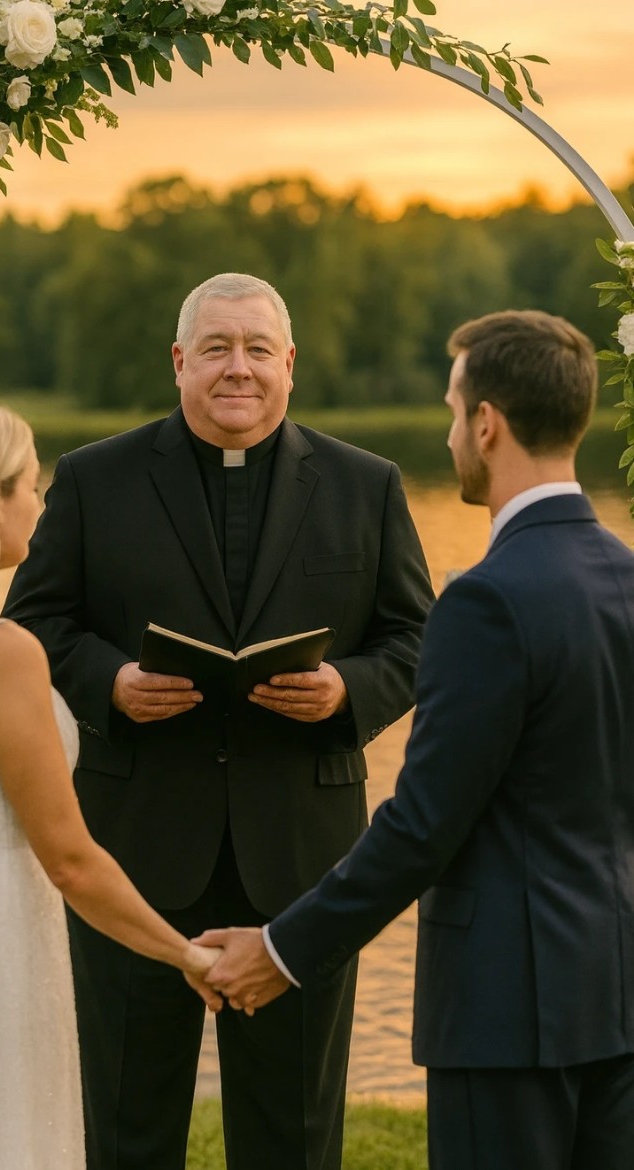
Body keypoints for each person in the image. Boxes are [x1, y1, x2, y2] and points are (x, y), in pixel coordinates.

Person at [3, 272, 433, 1170]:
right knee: (125, 1126)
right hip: (133, 852)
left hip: (303, 862)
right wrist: (109, 682)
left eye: (256, 350)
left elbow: (419, 641)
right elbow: (30, 623)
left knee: (296, 1138)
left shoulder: (368, 485)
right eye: (216, 349)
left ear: (290, 365)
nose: (238, 369)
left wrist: (349, 691)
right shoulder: (92, 480)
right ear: (178, 363)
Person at [199, 309, 634, 1170]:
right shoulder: (624, 577)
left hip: (508, 1013)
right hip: (616, 998)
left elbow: (424, 825)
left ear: (486, 422)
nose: (448, 435)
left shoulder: (487, 599)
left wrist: (281, 950)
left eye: (449, 411)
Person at [0, 398, 221, 1170]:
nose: (41, 501)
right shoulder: (1, 652)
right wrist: (185, 955)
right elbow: (70, 859)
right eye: (25, 483)